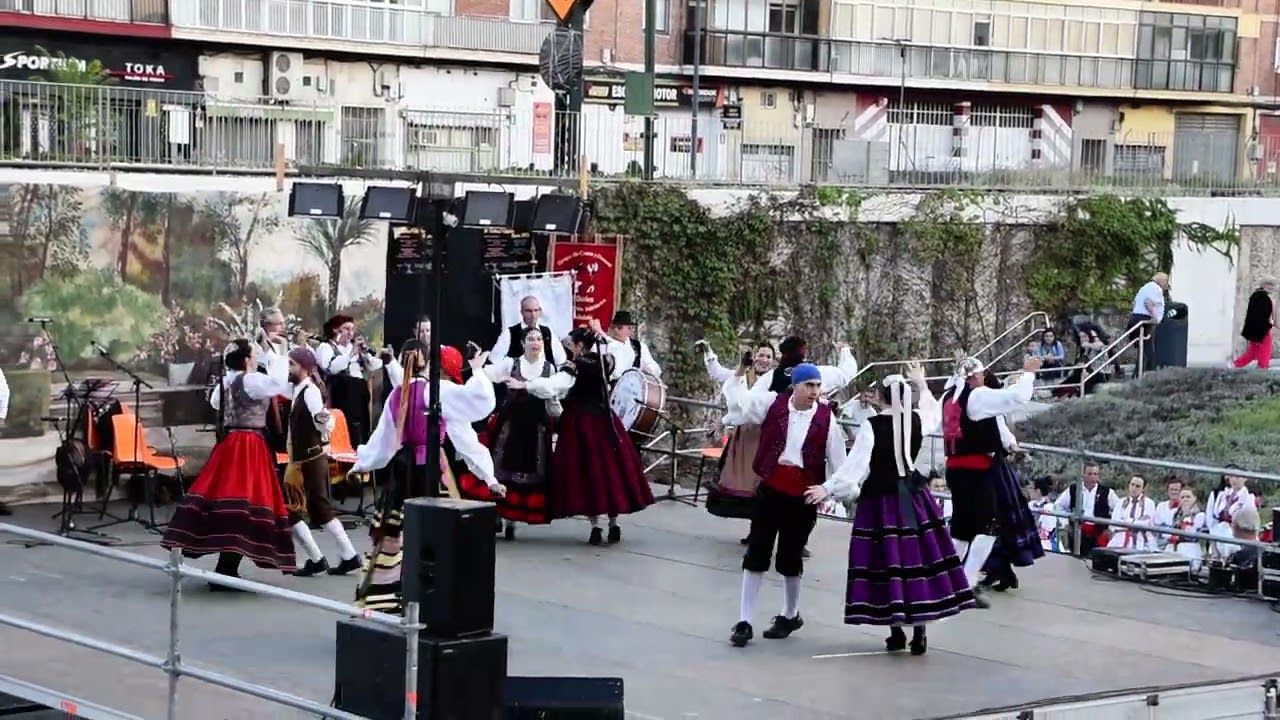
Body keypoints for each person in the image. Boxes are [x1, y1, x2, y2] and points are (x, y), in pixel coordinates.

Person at [807, 364, 975, 656]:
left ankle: (896, 630)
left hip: (881, 501)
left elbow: (855, 465)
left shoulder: (872, 426)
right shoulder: (916, 419)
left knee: (886, 561)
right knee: (915, 559)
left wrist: (828, 487)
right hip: (914, 497)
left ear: (881, 397)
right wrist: (922, 383)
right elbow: (934, 412)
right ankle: (919, 630)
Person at [349, 342, 505, 615]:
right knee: (436, 534)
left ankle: (385, 599)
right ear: (432, 366)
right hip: (430, 471)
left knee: (394, 535)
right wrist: (478, 370)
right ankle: (434, 601)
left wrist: (360, 464)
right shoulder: (437, 391)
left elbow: (382, 443)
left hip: (402, 472)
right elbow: (477, 408)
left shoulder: (397, 394)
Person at [722, 362, 848, 648]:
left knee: (790, 558)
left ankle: (790, 615)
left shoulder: (826, 419)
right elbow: (741, 404)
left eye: (818, 386)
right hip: (770, 489)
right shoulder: (773, 404)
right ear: (795, 386)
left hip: (802, 496)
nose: (814, 391)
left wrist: (827, 489)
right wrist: (739, 374)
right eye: (809, 385)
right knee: (757, 552)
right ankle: (744, 621)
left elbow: (840, 461)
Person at [162, 340, 296, 587]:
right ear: (246, 360)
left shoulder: (224, 382)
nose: (256, 360)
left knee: (226, 497)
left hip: (230, 442)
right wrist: (279, 355)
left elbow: (216, 403)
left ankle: (226, 568)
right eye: (253, 356)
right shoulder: (252, 381)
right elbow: (278, 385)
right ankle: (226, 570)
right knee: (247, 500)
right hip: (249, 444)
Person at [526, 326, 655, 544]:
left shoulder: (574, 366)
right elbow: (620, 355)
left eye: (571, 345)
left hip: (580, 423)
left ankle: (596, 527)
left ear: (579, 346)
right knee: (610, 473)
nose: (569, 349)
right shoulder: (608, 361)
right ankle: (613, 524)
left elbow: (555, 387)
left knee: (587, 474)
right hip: (605, 421)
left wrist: (527, 385)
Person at [939, 353, 1041, 608]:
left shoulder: (949, 397)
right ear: (974, 376)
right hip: (977, 470)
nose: (983, 378)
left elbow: (992, 423)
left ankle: (947, 581)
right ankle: (966, 583)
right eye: (981, 374)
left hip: (956, 469)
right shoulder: (976, 396)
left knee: (962, 530)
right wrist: (1029, 373)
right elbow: (1015, 398)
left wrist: (1009, 444)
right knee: (987, 528)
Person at [461, 326, 560, 540]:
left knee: (528, 472)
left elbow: (552, 396)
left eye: (539, 339)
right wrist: (477, 363)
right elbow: (486, 374)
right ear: (523, 343)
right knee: (501, 469)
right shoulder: (510, 364)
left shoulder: (549, 369)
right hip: (510, 424)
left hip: (536, 427)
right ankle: (499, 513)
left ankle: (512, 520)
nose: (536, 342)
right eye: (531, 339)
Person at [282, 346, 360, 577]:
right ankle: (327, 558)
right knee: (298, 510)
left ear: (304, 368)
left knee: (316, 509)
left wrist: (323, 420)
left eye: (292, 364)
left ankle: (342, 556)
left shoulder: (310, 392)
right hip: (303, 459)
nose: (288, 368)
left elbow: (326, 423)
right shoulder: (299, 390)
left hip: (310, 459)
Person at [699, 340, 777, 523]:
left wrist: (723, 421)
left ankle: (758, 527)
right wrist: (708, 351)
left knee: (760, 482)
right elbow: (717, 373)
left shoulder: (776, 380)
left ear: (773, 360)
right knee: (739, 478)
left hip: (764, 436)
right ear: (754, 357)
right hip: (743, 436)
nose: (764, 359)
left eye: (768, 357)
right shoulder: (742, 374)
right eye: (761, 355)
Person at [315, 314, 386, 446]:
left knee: (362, 426)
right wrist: (351, 354)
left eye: (352, 330)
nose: (350, 333)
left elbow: (373, 365)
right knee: (349, 428)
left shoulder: (355, 348)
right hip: (341, 391)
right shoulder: (326, 347)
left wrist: (374, 355)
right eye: (346, 329)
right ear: (335, 330)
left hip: (360, 390)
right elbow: (330, 368)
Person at [488, 295, 567, 366]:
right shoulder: (510, 333)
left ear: (539, 311)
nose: (533, 315)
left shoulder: (548, 332)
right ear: (522, 312)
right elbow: (494, 359)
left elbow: (561, 360)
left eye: (536, 310)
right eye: (529, 311)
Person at [599, 311, 661, 382]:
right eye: (613, 327)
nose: (615, 330)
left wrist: (643, 375)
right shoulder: (601, 345)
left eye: (619, 328)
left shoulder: (639, 347)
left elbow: (655, 369)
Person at [1104, 475, 1158, 551]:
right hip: (1120, 538)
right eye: (1132, 485)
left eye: (1138, 486)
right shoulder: (1121, 502)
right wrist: (1135, 522)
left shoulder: (1149, 503)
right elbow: (1114, 524)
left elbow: (1145, 524)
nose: (1134, 488)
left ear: (1143, 489)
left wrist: (1127, 520)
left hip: (1141, 540)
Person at [1128, 272, 1168, 372]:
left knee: (1143, 349)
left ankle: (1138, 373)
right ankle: (1149, 373)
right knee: (1148, 350)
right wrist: (1155, 318)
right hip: (1145, 319)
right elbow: (1148, 303)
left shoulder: (1145, 287)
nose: (1166, 284)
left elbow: (1134, 303)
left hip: (1135, 318)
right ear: (1161, 281)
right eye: (1165, 281)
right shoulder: (1156, 289)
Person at [1233, 278, 1275, 369]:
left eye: (1273, 285)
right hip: (1261, 331)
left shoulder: (1256, 296)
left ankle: (1235, 365)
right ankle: (1262, 370)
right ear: (1264, 285)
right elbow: (1261, 316)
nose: (1272, 288)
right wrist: (1269, 326)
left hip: (1254, 331)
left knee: (1253, 352)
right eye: (1270, 285)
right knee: (1265, 352)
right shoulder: (1263, 298)